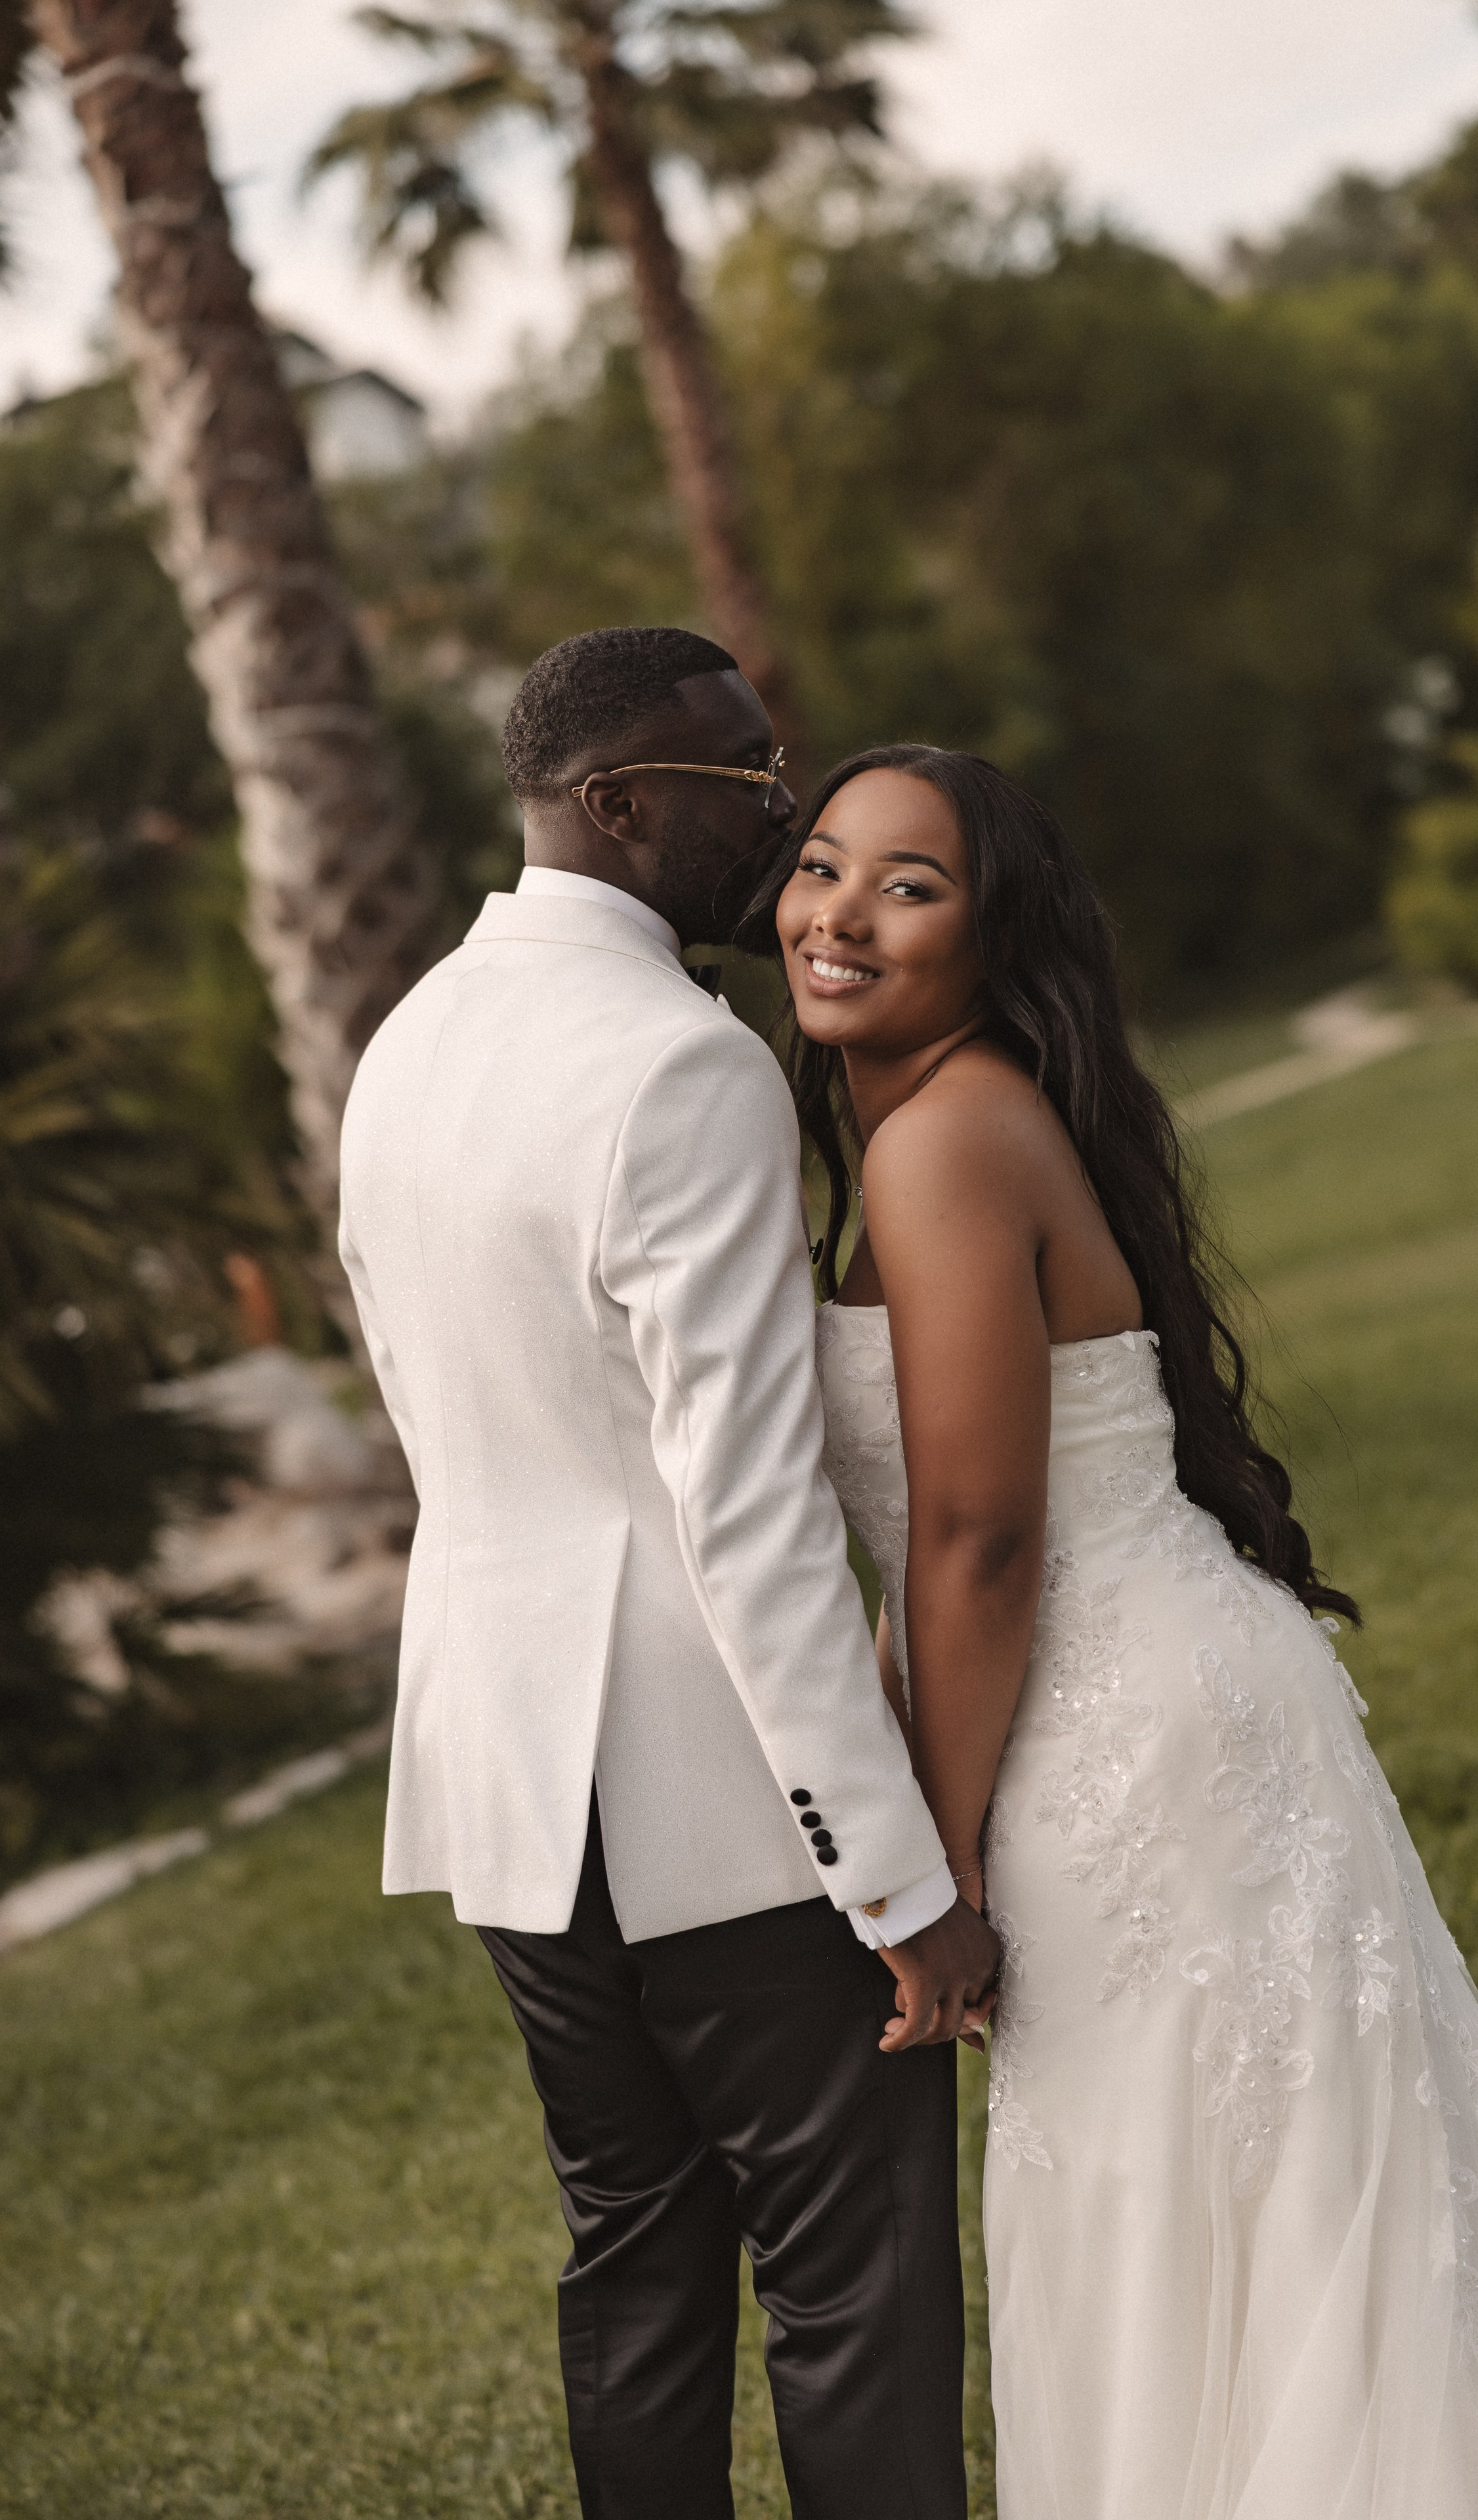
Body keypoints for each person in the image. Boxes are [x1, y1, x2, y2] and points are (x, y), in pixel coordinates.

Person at [749, 741, 1478, 2519]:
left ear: (993, 935)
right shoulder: (938, 1128)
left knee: (1220, 2191)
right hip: (1153, 1706)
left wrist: (923, 1875)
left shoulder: (947, 1135)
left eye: (910, 883)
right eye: (819, 864)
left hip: (1127, 1741)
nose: (842, 912)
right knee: (1249, 2191)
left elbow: (980, 1532)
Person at [337, 634, 998, 2520]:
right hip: (714, 1804)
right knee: (852, 2283)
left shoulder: (411, 1045)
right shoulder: (681, 1068)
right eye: (749, 774)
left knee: (634, 2264)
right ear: (620, 803)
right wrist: (896, 1873)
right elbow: (751, 1509)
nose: (786, 811)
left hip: (509, 1789)